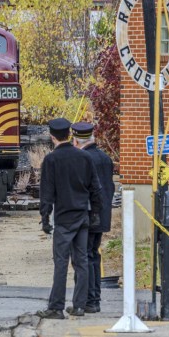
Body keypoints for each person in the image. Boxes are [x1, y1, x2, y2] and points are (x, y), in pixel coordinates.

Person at [37, 118, 103, 319]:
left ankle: (56, 307)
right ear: (69, 134)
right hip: (82, 216)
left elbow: (46, 192)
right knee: (81, 262)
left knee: (61, 263)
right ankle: (80, 306)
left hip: (63, 219)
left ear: (52, 136)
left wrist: (45, 218)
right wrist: (94, 215)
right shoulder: (84, 158)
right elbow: (96, 190)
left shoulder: (51, 160)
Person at [71, 121, 115, 314]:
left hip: (87, 216)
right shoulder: (105, 158)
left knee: (84, 258)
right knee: (94, 256)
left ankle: (89, 300)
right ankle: (95, 299)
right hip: (102, 216)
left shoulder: (82, 159)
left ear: (76, 139)